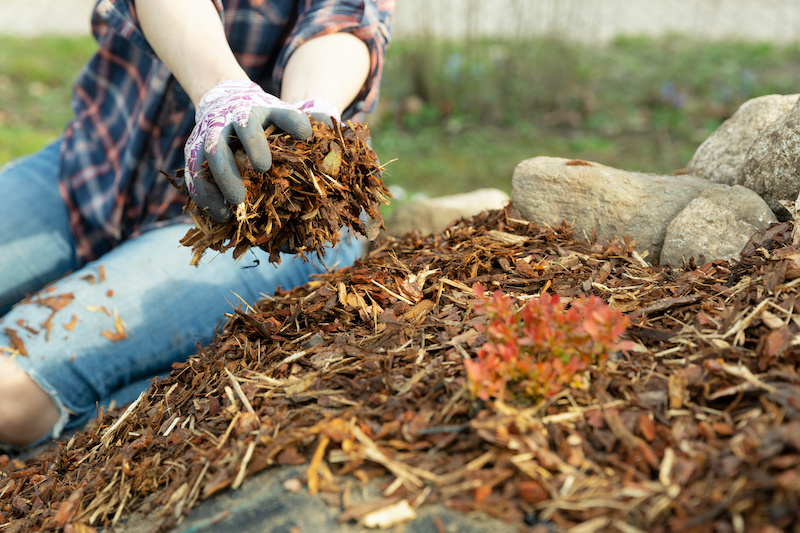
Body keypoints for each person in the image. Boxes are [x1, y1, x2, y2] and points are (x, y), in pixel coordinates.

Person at [0, 0, 394, 448]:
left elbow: (343, 21)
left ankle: (145, 399)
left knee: (9, 396)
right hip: (96, 165)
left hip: (250, 226)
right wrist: (223, 93)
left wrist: (310, 111)